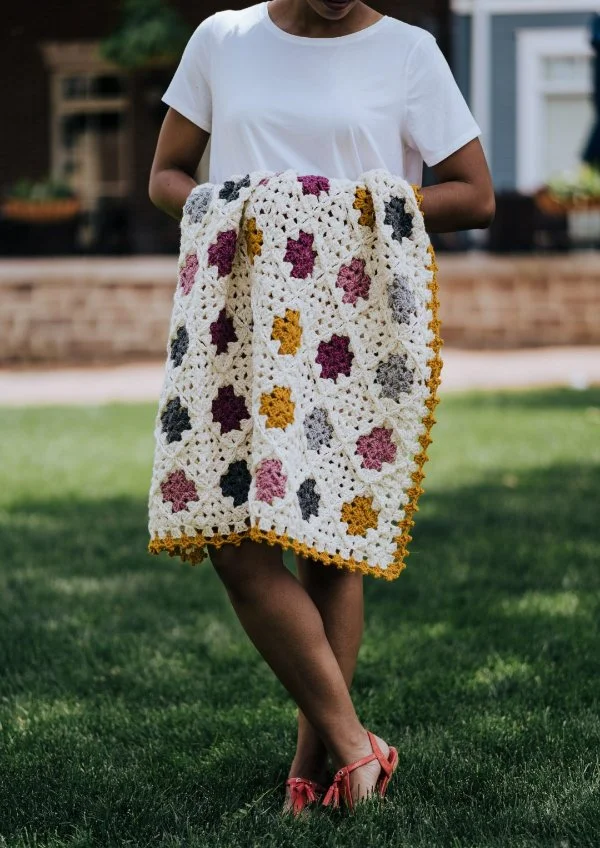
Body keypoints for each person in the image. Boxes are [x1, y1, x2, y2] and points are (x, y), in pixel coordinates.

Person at [148, 0, 494, 814]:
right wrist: (226, 206)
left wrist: (348, 210)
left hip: (350, 326)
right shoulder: (222, 40)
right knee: (229, 535)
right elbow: (166, 175)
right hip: (238, 323)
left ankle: (319, 770)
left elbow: (475, 194)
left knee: (329, 545)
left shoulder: (410, 53)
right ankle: (353, 744)